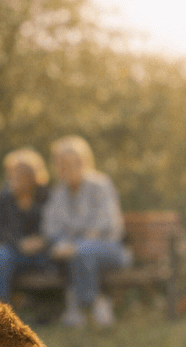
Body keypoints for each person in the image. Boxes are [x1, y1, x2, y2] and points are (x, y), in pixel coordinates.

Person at [41, 135, 129, 327]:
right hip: (73, 251)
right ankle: (95, 305)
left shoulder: (100, 185)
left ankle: (83, 305)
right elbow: (50, 227)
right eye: (60, 164)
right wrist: (63, 243)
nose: (64, 168)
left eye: (69, 163)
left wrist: (74, 244)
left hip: (111, 249)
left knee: (81, 252)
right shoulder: (58, 192)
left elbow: (106, 225)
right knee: (72, 254)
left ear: (83, 161)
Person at [0, 148, 53, 303]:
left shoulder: (48, 196)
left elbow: (58, 226)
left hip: (44, 253)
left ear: (35, 176)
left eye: (24, 174)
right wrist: (19, 243)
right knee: (0, 256)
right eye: (14, 174)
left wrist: (42, 240)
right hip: (13, 253)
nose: (18, 179)